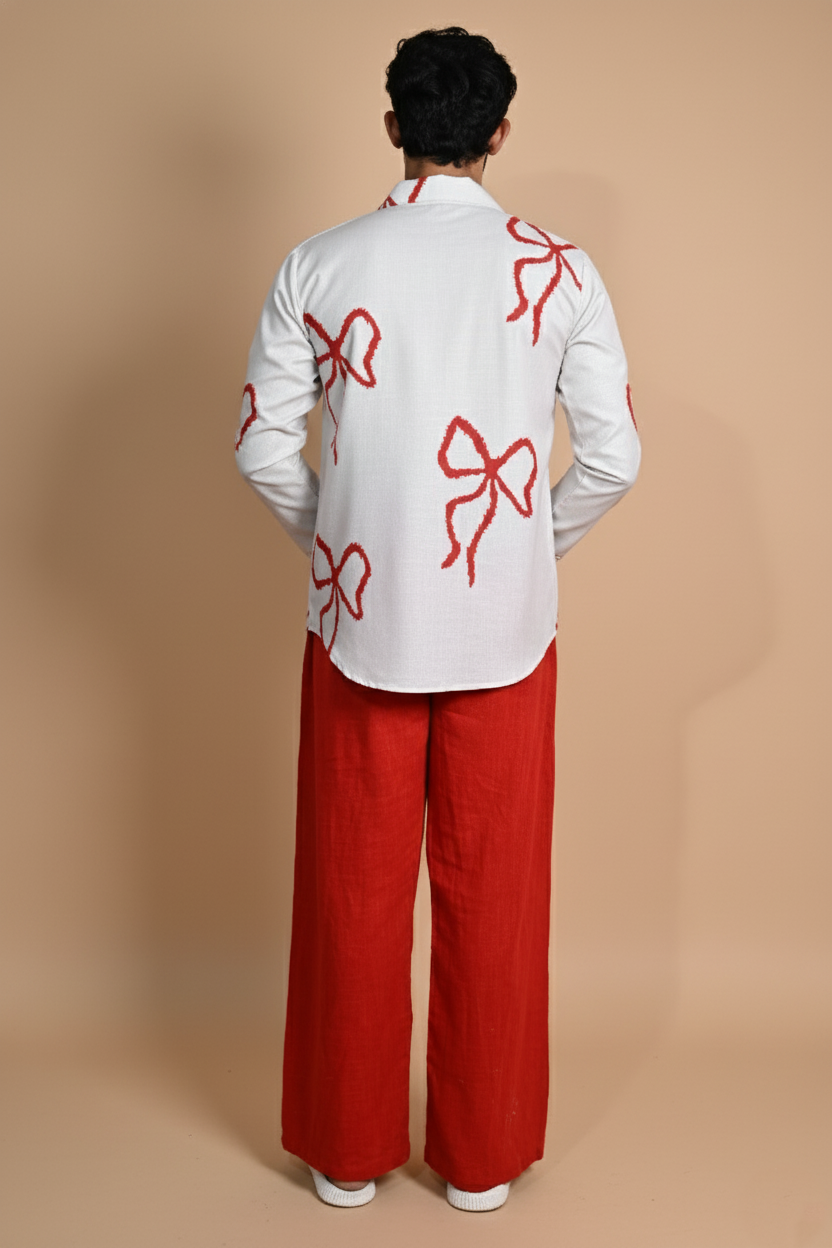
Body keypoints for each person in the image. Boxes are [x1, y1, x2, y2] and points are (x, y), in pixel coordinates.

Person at [234, 26, 640, 1213]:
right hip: (505, 630)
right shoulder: (560, 270)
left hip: (358, 623)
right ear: (499, 132)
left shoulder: (318, 263)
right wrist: (526, 548)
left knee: (350, 894)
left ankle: (345, 1152)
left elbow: (261, 446)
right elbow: (613, 458)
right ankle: (480, 1160)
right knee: (496, 897)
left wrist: (340, 544)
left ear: (392, 126)